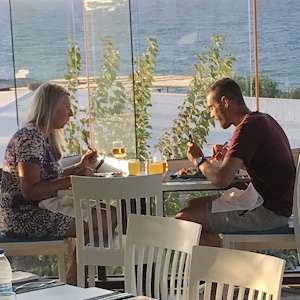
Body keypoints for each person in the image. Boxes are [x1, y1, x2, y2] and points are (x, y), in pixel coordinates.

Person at [176, 78, 296, 246]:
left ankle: (220, 267)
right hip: (273, 204)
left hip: (269, 212)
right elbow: (262, 163)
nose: (211, 115)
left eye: (211, 107)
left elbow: (221, 180)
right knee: (193, 204)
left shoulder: (247, 128)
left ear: (225, 102)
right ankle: (220, 259)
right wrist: (229, 154)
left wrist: (199, 160)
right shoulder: (262, 119)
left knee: (184, 218)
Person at [0, 82, 98, 283]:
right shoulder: (30, 139)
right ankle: (75, 283)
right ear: (50, 108)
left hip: (38, 209)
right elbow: (31, 191)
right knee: (103, 219)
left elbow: (48, 178)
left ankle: (76, 281)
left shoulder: (39, 136)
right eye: (66, 107)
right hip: (24, 217)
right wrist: (72, 180)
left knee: (106, 216)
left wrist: (79, 167)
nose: (70, 113)